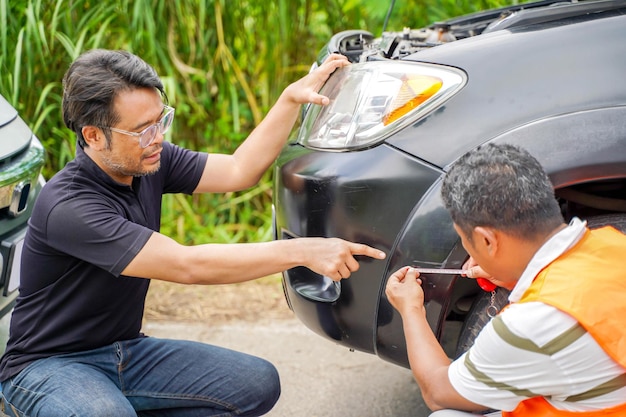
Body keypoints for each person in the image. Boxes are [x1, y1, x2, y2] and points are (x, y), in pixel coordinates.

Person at [0, 49, 386, 417]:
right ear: (94, 136)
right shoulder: (69, 206)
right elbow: (188, 265)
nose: (158, 138)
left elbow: (238, 170)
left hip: (126, 353)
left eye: (160, 121)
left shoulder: (146, 159)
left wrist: (289, 100)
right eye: (141, 131)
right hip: (46, 367)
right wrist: (302, 251)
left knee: (257, 382)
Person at [385, 143, 626, 416]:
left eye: (466, 240)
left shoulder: (531, 324)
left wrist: (410, 309)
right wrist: (517, 278)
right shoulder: (614, 242)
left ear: (487, 240)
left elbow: (437, 392)